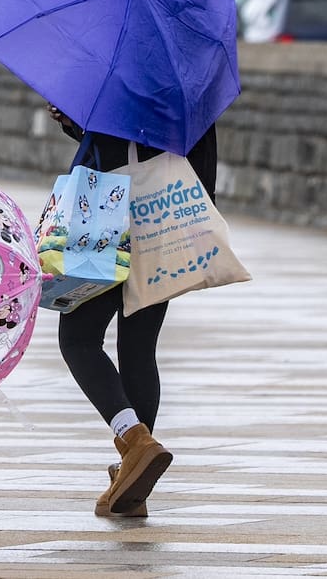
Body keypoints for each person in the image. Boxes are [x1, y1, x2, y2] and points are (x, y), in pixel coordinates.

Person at [48, 102, 217, 517]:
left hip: (108, 218)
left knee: (79, 339)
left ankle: (135, 440)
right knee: (139, 347)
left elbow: (109, 150)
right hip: (167, 221)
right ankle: (133, 475)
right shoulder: (188, 85)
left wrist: (77, 118)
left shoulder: (113, 78)